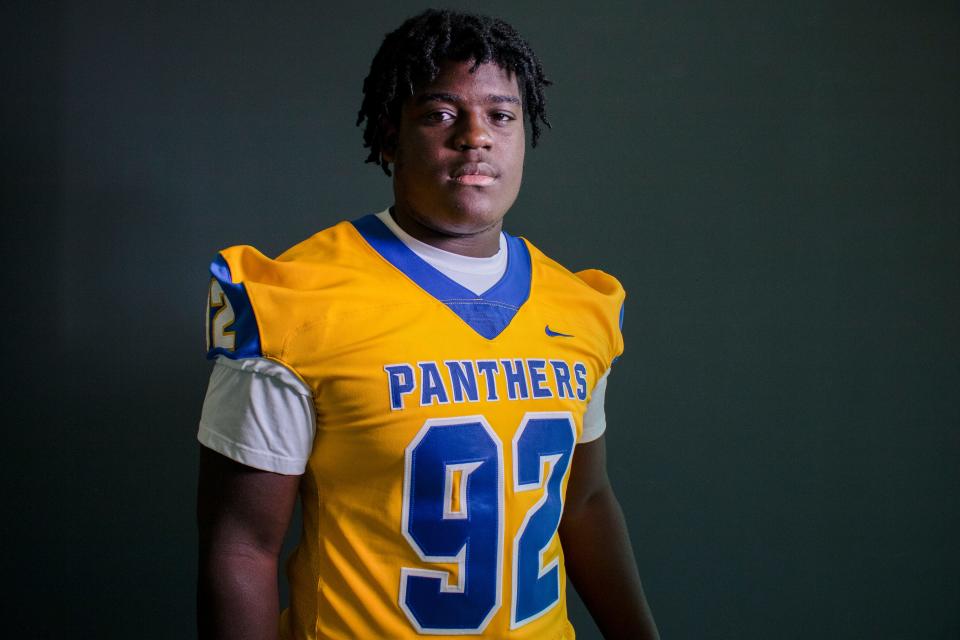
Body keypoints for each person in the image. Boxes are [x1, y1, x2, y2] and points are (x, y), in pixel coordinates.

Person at [197, 9, 659, 640]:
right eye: (441, 114)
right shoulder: (296, 300)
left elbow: (584, 503)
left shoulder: (580, 304)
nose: (477, 137)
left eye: (501, 115)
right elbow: (241, 548)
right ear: (389, 136)